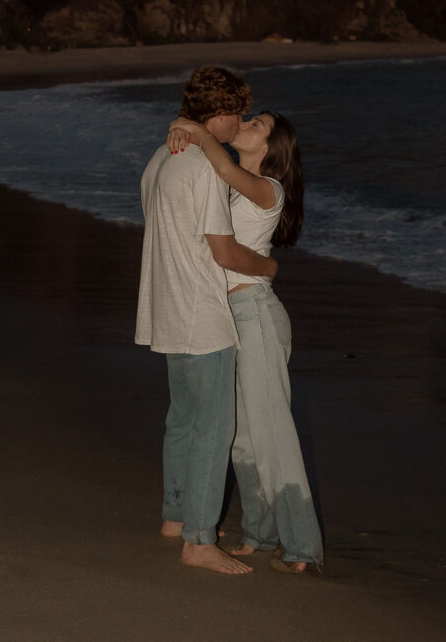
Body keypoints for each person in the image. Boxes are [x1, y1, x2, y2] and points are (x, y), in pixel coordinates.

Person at [135, 67, 278, 576]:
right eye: (238, 112)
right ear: (221, 113)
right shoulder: (202, 168)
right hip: (201, 311)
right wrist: (269, 266)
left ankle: (176, 517)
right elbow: (225, 252)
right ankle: (198, 540)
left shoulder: (162, 157)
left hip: (167, 306)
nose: (240, 121)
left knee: (184, 419)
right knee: (213, 429)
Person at [167, 109, 324, 573]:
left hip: (255, 313)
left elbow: (223, 166)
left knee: (271, 432)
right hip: (228, 315)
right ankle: (259, 532)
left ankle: (301, 545)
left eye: (257, 125)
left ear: (272, 149)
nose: (247, 125)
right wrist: (183, 123)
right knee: (242, 438)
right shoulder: (232, 185)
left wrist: (193, 127)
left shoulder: (268, 189)